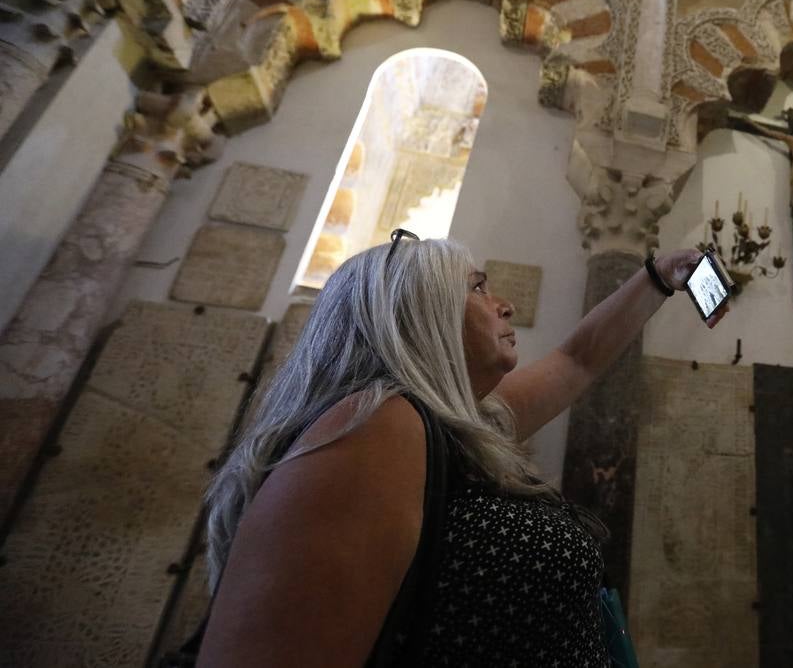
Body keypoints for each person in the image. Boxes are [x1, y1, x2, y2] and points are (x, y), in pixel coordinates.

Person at [197, 230, 725, 666]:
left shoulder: (453, 424)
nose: (504, 304)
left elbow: (577, 362)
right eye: (478, 289)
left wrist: (658, 278)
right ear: (417, 315)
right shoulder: (372, 429)